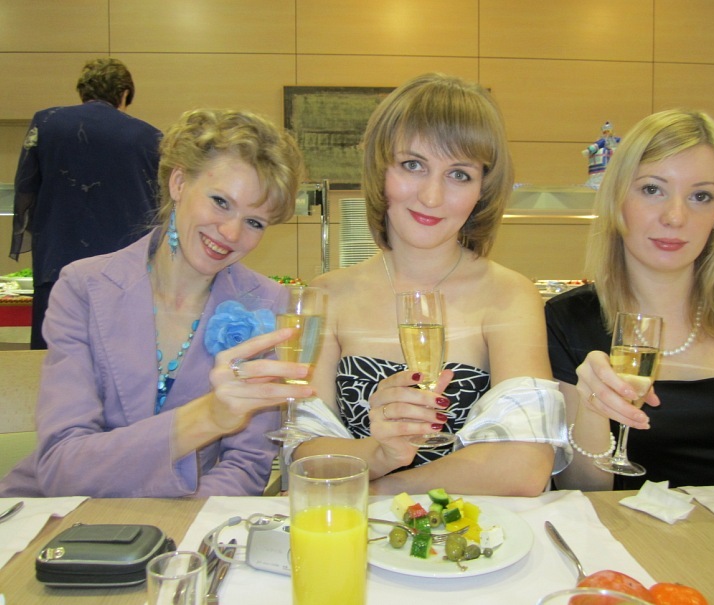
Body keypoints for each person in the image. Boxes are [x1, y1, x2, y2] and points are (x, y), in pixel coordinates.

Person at [0, 108, 310, 498]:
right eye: (220, 201)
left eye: (254, 222)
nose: (231, 233)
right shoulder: (84, 288)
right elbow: (62, 467)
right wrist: (206, 417)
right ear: (179, 182)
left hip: (186, 521)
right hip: (58, 517)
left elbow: (244, 468)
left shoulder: (268, 304)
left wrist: (167, 530)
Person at [291, 73, 571, 497]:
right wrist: (381, 454)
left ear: (483, 189)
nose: (432, 197)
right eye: (413, 165)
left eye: (459, 174)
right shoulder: (326, 296)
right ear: (380, 169)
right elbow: (304, 453)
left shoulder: (510, 295)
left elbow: (525, 465)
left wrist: (383, 490)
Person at [546, 108, 714, 491]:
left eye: (701, 196)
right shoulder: (569, 319)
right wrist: (591, 407)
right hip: (639, 526)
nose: (675, 217)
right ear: (617, 199)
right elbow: (585, 492)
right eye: (652, 190)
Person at [9, 57, 162, 350]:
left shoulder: (47, 123)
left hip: (58, 261)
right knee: (120, 357)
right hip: (124, 270)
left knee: (55, 355)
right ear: (124, 94)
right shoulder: (150, 136)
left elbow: (26, 188)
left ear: (83, 91)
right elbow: (160, 204)